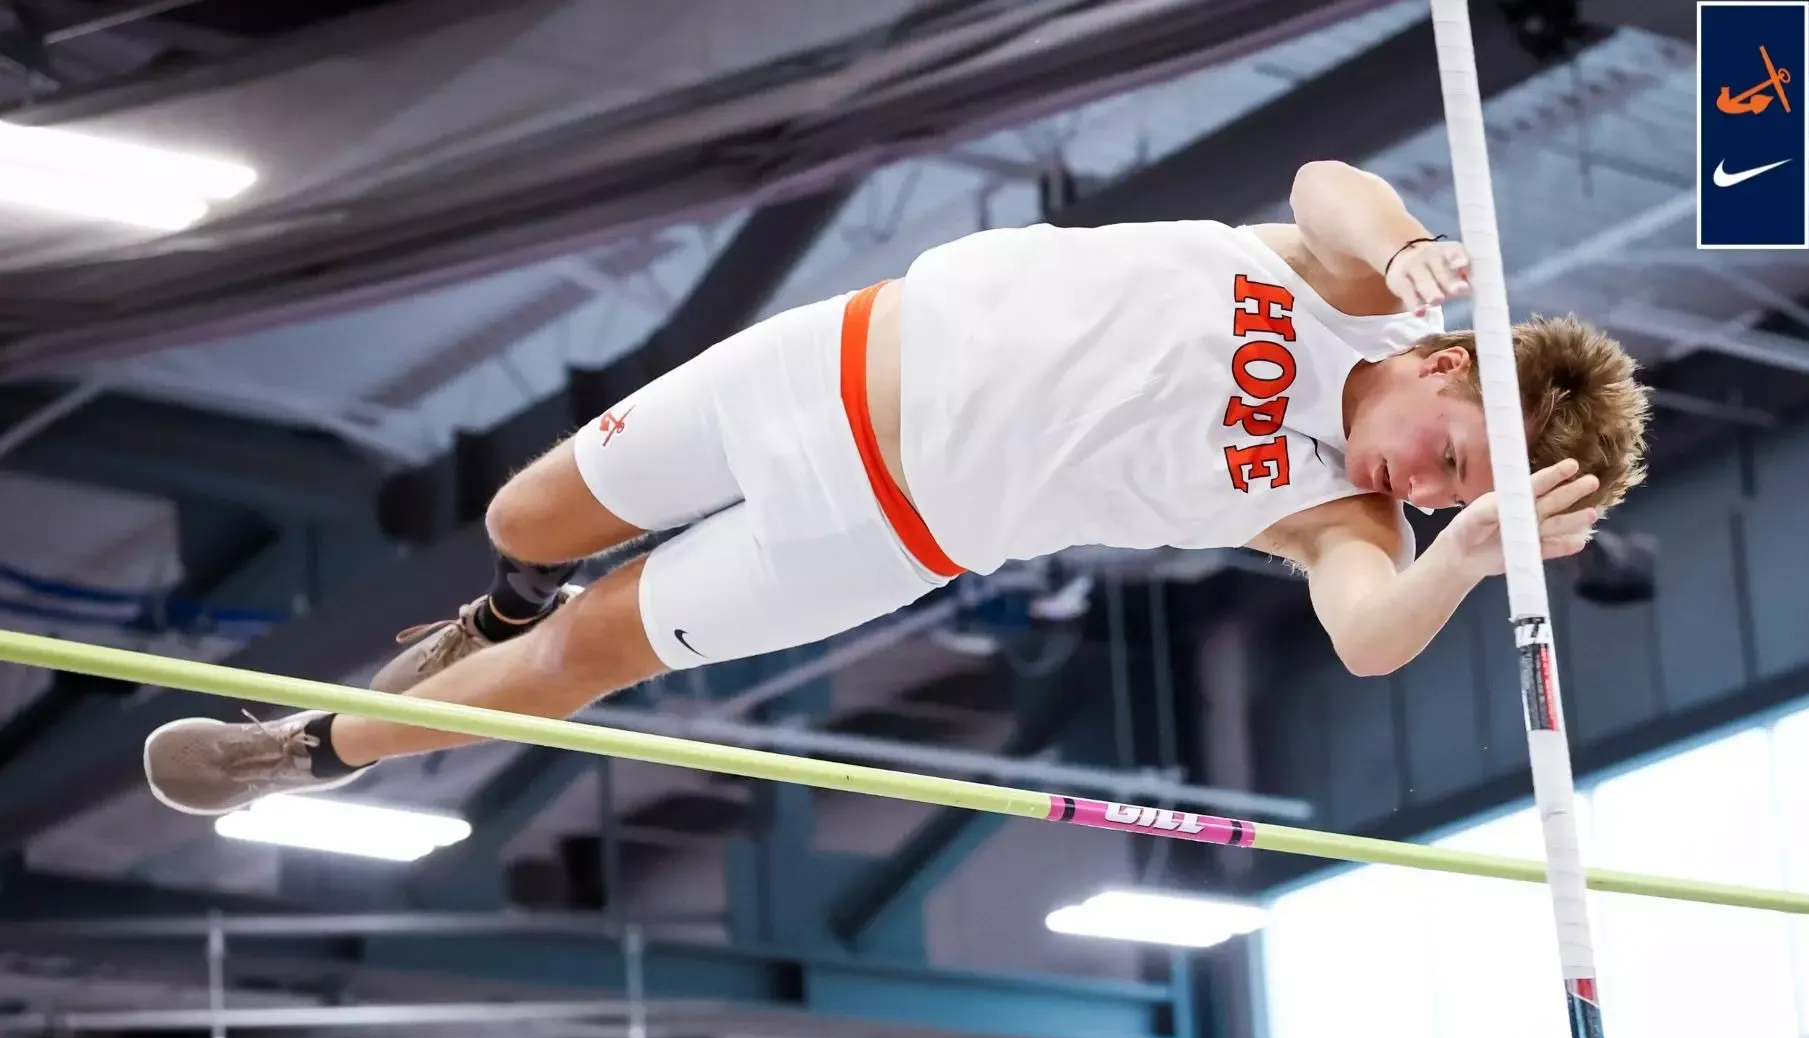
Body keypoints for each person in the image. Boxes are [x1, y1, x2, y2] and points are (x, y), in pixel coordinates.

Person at [143, 160, 1649, 816]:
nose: (1425, 489)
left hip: (875, 535)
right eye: (1452, 462)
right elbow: (1336, 182)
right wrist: (1403, 257)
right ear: (1451, 368)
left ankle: (308, 750)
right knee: (523, 524)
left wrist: (1459, 560)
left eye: (1453, 502)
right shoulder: (1355, 280)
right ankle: (492, 608)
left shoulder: (1349, 518)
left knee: (585, 655)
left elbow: (1368, 632)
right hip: (820, 373)